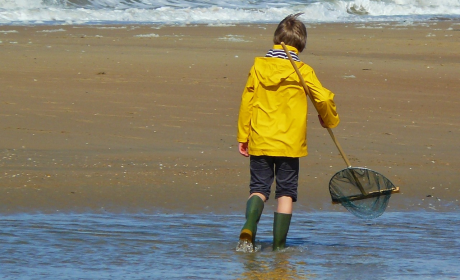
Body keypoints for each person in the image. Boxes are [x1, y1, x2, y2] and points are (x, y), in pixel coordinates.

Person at [236, 13, 340, 251]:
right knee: (285, 193)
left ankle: (249, 225)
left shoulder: (258, 67)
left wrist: (244, 136)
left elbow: (247, 102)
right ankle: (279, 247)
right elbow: (322, 97)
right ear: (300, 44)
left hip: (261, 138)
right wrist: (329, 119)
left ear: (276, 40)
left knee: (259, 189)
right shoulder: (303, 70)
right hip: (290, 143)